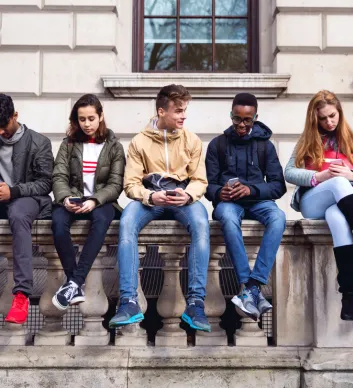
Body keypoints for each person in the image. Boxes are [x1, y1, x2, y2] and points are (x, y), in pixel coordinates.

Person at [109, 84, 211, 332]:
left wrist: (186, 195)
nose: (183, 116)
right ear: (161, 111)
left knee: (201, 223)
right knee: (127, 223)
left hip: (182, 198)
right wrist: (150, 197)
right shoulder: (139, 142)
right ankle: (129, 301)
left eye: (185, 110)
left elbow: (200, 180)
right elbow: (130, 184)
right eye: (178, 111)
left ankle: (196, 303)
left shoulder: (192, 140)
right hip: (149, 199)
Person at [285, 90, 353, 321]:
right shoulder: (308, 139)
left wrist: (350, 173)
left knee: (338, 220)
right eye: (322, 118)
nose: (329, 122)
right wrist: (319, 177)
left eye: (332, 116)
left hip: (340, 202)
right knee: (338, 183)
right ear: (315, 119)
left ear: (340, 112)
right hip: (313, 201)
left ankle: (350, 296)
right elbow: (289, 172)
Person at [205, 93, 286, 320]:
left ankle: (253, 285)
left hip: (259, 202)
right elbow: (206, 185)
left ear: (255, 118)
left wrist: (252, 190)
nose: (241, 125)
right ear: (231, 116)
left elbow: (278, 186)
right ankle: (246, 285)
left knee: (278, 217)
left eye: (247, 120)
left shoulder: (265, 146)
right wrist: (219, 192)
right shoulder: (217, 145)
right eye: (237, 119)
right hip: (228, 203)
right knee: (229, 220)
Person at [51, 94, 125, 310]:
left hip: (101, 203)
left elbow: (115, 184)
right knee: (57, 222)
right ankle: (74, 281)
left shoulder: (114, 146)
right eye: (82, 119)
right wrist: (65, 199)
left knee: (101, 221)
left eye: (91, 118)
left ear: (100, 116)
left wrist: (94, 200)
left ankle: (74, 282)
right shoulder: (69, 144)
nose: (87, 124)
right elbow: (59, 176)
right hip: (73, 199)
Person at [0, 93, 53, 324]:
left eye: (4, 126)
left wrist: (13, 191)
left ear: (15, 116)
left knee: (19, 214)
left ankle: (21, 295)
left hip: (28, 199)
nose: (1, 132)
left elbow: (45, 183)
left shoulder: (39, 142)